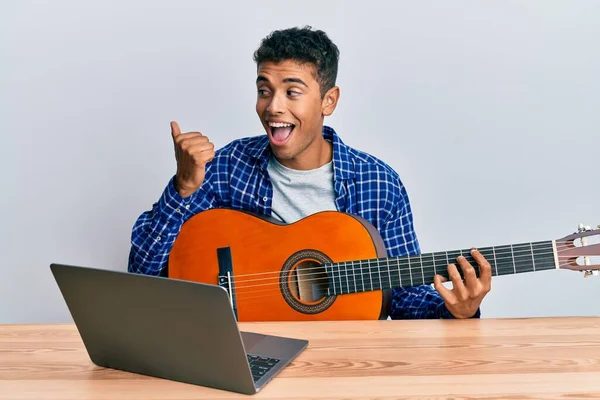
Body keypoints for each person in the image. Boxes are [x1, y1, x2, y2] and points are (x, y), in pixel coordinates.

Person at [128, 26, 491, 319]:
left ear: (328, 101)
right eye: (264, 90)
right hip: (241, 352)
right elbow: (141, 275)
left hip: (344, 362)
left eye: (292, 91)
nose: (273, 106)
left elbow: (402, 298)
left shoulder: (378, 183)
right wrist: (185, 186)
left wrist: (456, 308)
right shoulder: (226, 166)